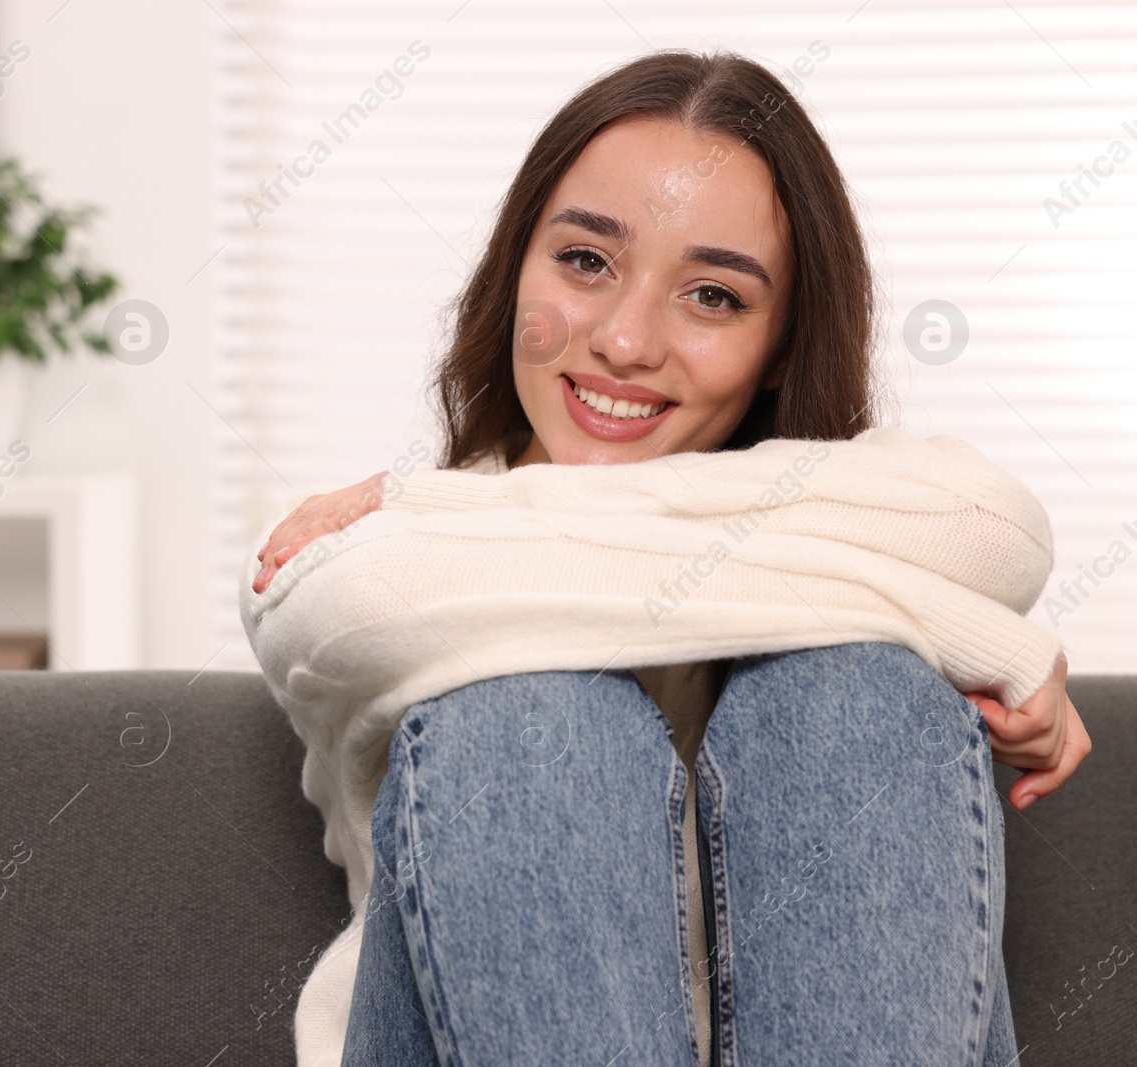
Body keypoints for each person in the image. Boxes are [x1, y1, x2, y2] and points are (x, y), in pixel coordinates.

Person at [248, 51, 1090, 1066]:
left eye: (711, 295)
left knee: (853, 690)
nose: (624, 339)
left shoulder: (415, 529)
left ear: (781, 342)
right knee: (529, 712)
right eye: (585, 261)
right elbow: (350, 596)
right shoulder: (373, 544)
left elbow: (993, 525)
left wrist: (426, 512)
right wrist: (965, 624)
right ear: (515, 266)